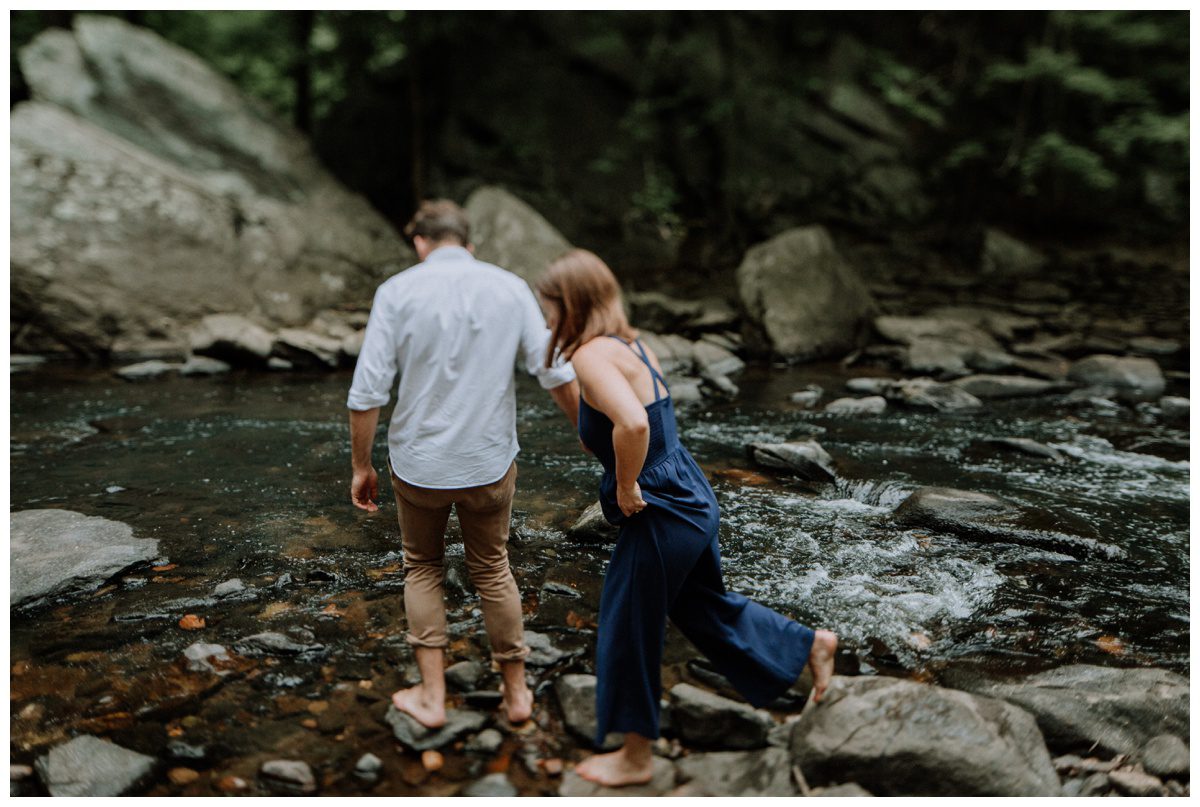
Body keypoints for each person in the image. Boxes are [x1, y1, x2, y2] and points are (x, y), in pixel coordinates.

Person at [536, 249, 838, 787]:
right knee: (699, 604)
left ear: (572, 304)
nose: (544, 317)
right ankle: (808, 644)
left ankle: (635, 756)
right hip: (687, 492)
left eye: (549, 306)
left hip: (660, 504)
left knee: (628, 622)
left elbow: (632, 425)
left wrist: (626, 484)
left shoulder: (590, 356)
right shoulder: (631, 343)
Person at [347, 199, 579, 728]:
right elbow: (554, 370)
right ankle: (517, 695)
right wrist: (589, 436)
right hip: (489, 460)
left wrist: (362, 465)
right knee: (493, 569)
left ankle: (432, 697)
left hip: (418, 464)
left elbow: (367, 392)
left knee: (422, 566)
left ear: (420, 243)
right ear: (469, 245)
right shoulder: (508, 286)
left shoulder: (397, 291)